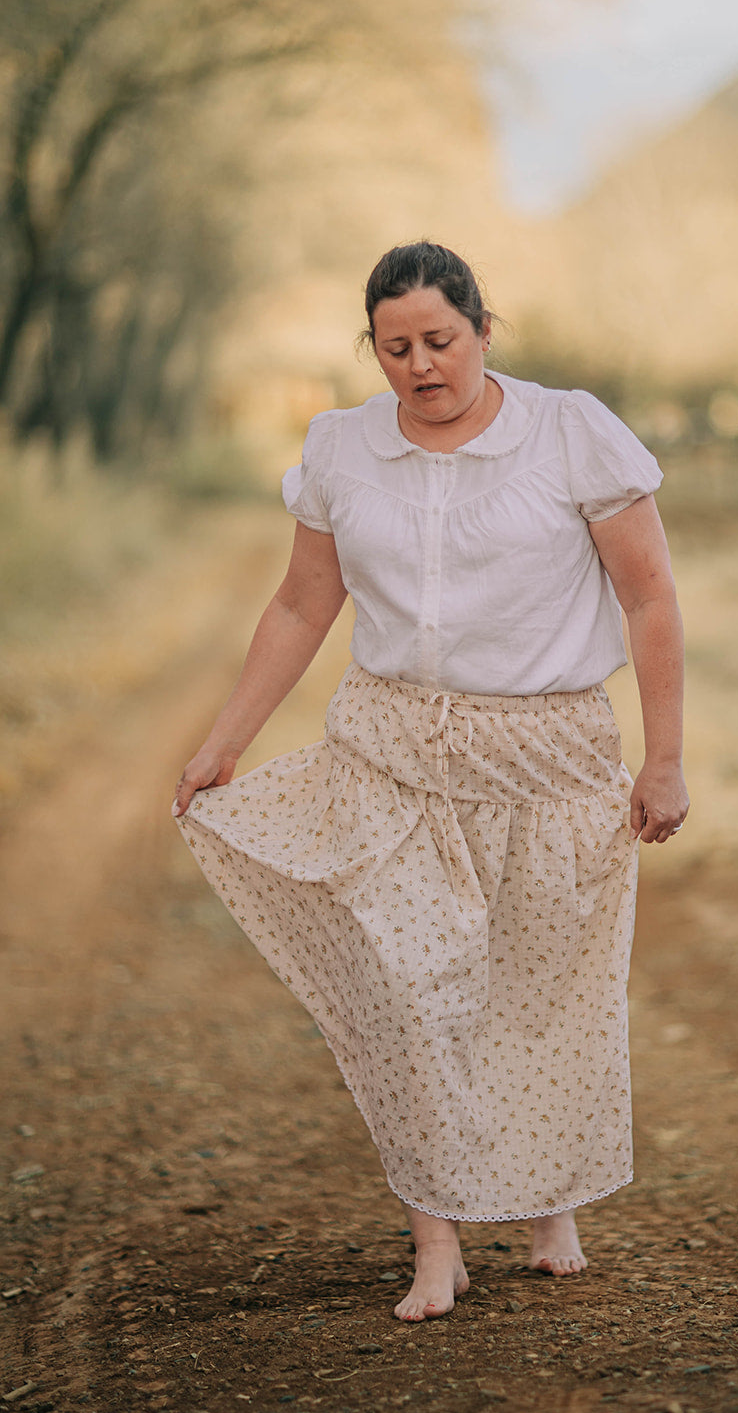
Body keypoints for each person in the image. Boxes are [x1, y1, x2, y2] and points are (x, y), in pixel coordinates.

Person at [173, 242, 688, 1322]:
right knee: (408, 991)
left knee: (536, 989)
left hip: (548, 759)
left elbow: (647, 599)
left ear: (483, 329)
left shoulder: (569, 433)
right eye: (395, 346)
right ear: (374, 348)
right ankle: (436, 1241)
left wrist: (664, 756)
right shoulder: (341, 449)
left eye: (439, 341)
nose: (419, 366)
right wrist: (224, 738)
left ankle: (548, 1204)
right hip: (391, 753)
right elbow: (301, 606)